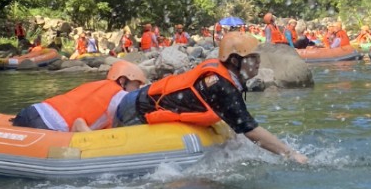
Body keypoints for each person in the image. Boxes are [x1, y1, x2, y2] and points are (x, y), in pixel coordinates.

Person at [113, 32, 308, 164]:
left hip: (139, 99)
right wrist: (290, 154)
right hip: (134, 109)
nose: (258, 62)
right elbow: (250, 129)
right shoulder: (222, 87)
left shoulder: (222, 74)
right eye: (253, 58)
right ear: (234, 60)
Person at [12, 60, 148, 132]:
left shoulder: (97, 85)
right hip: (45, 125)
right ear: (123, 80)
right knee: (80, 125)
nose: (136, 90)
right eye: (136, 85)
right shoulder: (121, 95)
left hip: (31, 112)